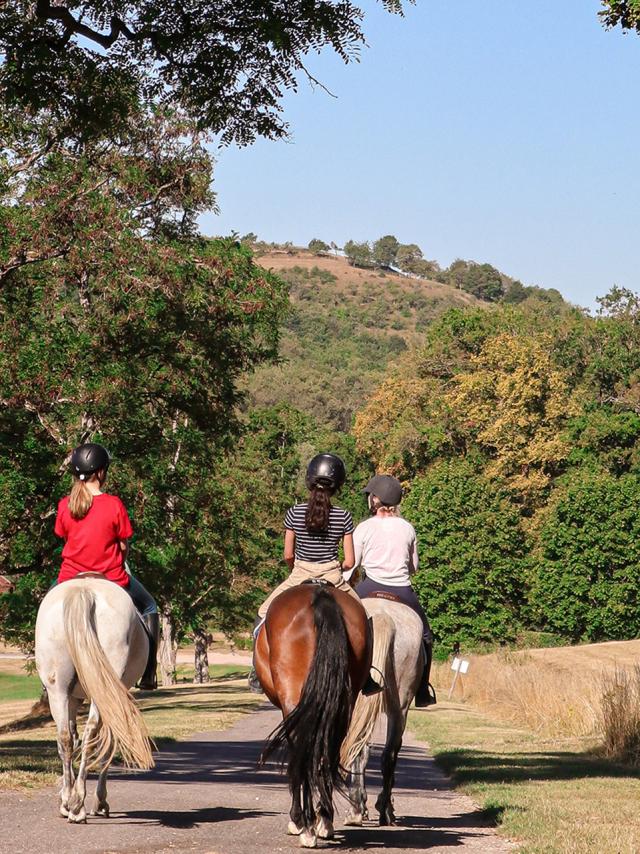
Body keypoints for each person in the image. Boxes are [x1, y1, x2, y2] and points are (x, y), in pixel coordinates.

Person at [247, 453, 366, 693]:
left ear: (309, 480)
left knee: (262, 615)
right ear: (338, 485)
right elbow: (350, 561)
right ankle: (368, 674)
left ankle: (256, 672)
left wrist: (296, 570)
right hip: (332, 576)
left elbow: (288, 554)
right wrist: (338, 567)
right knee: (364, 618)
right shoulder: (343, 516)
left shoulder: (294, 513)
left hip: (300, 573)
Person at [52, 443, 159, 690]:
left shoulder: (65, 505)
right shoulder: (114, 504)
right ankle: (149, 673)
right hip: (111, 576)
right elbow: (122, 545)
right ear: (100, 472)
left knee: (47, 610)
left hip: (69, 576)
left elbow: (65, 537)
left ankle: (48, 680)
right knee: (149, 606)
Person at [347, 474, 436, 708]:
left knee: (342, 624)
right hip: (402, 589)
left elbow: (353, 564)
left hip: (369, 587)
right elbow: (413, 566)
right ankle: (423, 689)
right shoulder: (407, 528)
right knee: (426, 636)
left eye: (370, 495)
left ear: (376, 499)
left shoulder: (364, 527)